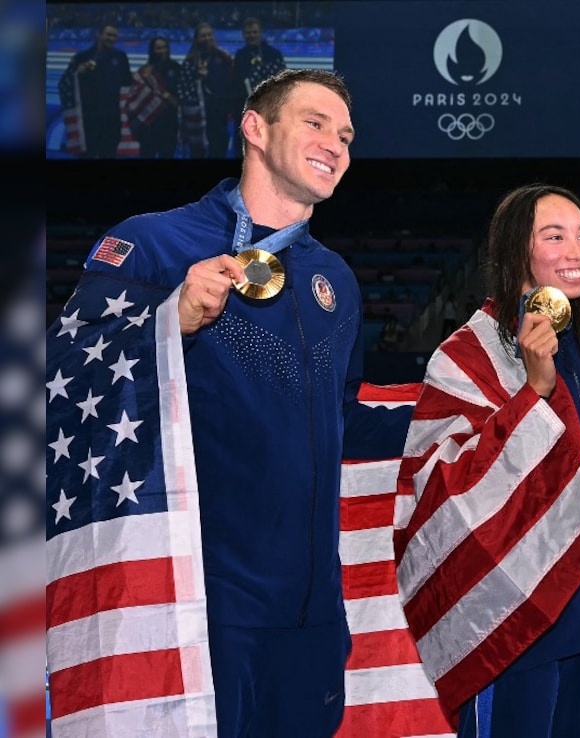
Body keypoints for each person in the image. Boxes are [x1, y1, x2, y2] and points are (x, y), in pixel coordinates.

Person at [46, 69, 371, 736]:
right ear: (256, 128)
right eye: (314, 123)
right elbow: (60, 379)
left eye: (345, 135)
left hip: (312, 611)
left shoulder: (335, 278)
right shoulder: (154, 244)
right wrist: (173, 316)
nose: (334, 144)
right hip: (200, 597)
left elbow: (348, 421)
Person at [395, 184, 580, 737]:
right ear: (518, 251)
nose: (576, 251)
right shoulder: (467, 357)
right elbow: (446, 489)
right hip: (519, 621)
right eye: (554, 236)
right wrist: (534, 391)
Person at [57, 22, 133, 158]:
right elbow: (64, 83)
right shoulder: (81, 57)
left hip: (112, 117)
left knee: (109, 154)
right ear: (99, 34)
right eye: (108, 34)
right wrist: (77, 73)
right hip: (89, 118)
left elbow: (129, 82)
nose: (112, 38)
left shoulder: (121, 57)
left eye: (115, 36)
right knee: (88, 155)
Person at [179, 21, 235, 158]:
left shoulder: (224, 58)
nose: (207, 38)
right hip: (198, 116)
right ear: (197, 39)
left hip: (219, 113)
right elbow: (183, 88)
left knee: (219, 149)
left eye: (209, 35)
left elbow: (232, 83)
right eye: (203, 35)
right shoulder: (189, 61)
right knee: (197, 153)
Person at [232, 17, 287, 155]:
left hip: (269, 108)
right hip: (245, 108)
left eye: (255, 32)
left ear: (261, 33)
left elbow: (283, 82)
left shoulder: (274, 54)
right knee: (243, 147)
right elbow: (236, 82)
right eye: (248, 33)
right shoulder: (240, 55)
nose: (252, 35)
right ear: (244, 35)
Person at [130, 36, 182, 158]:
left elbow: (181, 97)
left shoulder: (176, 68)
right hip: (149, 125)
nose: (162, 51)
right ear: (152, 50)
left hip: (169, 124)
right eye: (158, 48)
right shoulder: (144, 71)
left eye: (164, 47)